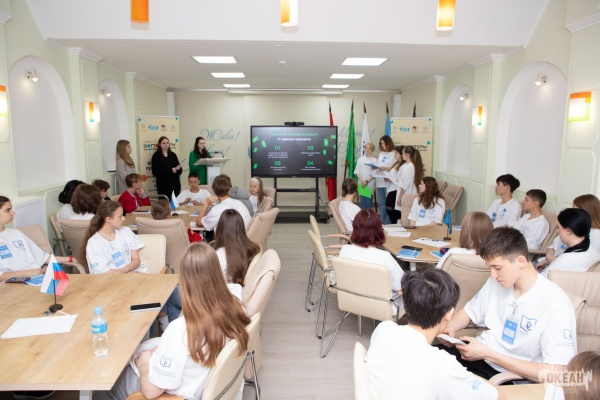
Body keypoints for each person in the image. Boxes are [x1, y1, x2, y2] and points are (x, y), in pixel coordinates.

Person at [97, 243, 250, 400]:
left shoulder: (181, 330)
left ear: (184, 281)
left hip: (176, 394)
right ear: (217, 272)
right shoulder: (237, 308)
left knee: (106, 385)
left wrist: (144, 364)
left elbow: (151, 392)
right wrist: (163, 349)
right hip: (201, 384)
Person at [440, 227, 577, 382]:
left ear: (521, 261)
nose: (493, 275)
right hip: (478, 355)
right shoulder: (496, 283)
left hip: (506, 374)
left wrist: (488, 354)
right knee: (423, 361)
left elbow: (558, 373)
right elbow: (468, 312)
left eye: (497, 268)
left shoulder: (556, 303)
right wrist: (451, 327)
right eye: (490, 267)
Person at [366, 269, 502, 400]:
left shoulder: (383, 330)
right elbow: (497, 397)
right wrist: (466, 376)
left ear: (405, 304)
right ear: (449, 314)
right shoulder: (443, 366)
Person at [0, 196, 76, 281]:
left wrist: (71, 259)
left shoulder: (17, 234)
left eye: (11, 209)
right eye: (7, 210)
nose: (13, 212)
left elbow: (44, 258)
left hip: (36, 278)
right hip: (14, 283)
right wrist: (28, 273)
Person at [338, 209, 403, 294]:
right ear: (379, 230)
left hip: (350, 298)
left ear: (355, 228)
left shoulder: (345, 250)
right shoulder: (384, 256)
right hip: (379, 300)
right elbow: (400, 284)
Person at [82, 201, 148, 275]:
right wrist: (127, 273)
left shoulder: (126, 231)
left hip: (132, 274)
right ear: (108, 219)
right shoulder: (94, 243)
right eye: (120, 216)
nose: (124, 219)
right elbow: (103, 273)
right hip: (111, 280)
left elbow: (136, 260)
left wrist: (125, 270)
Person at [539, 208, 600, 277]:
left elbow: (540, 280)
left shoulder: (566, 260)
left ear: (568, 231)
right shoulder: (592, 251)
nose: (557, 231)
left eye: (558, 227)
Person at [542, 194, 600, 265]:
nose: (571, 211)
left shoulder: (596, 235)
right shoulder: (570, 227)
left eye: (574, 209)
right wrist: (548, 256)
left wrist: (554, 260)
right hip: (548, 262)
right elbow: (553, 246)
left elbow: (583, 262)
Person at [212, 209, 261, 285]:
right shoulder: (253, 249)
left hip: (222, 290)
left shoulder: (219, 255)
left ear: (220, 229)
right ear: (241, 228)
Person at [374, 136, 396, 224]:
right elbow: (378, 164)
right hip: (379, 181)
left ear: (388, 143)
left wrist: (386, 168)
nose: (382, 145)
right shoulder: (381, 153)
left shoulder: (394, 153)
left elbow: (396, 167)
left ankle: (388, 223)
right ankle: (382, 223)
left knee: (388, 205)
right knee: (381, 204)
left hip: (388, 182)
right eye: (381, 143)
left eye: (384, 143)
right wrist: (374, 167)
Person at [396, 145, 424, 213]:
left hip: (406, 195)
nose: (402, 155)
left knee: (405, 215)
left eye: (403, 153)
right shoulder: (411, 166)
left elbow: (404, 185)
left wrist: (399, 198)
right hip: (409, 194)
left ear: (407, 155)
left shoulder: (409, 167)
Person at [384, 145, 404, 224]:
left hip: (396, 189)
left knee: (393, 209)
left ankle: (396, 224)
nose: (394, 155)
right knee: (389, 208)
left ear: (402, 154)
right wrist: (388, 178)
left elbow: (401, 179)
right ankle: (394, 223)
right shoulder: (396, 163)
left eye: (396, 153)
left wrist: (392, 179)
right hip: (391, 188)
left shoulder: (404, 165)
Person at [354, 142, 377, 209]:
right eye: (366, 148)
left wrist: (366, 181)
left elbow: (374, 173)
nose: (367, 150)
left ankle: (368, 216)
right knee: (362, 204)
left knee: (368, 204)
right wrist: (362, 181)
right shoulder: (360, 159)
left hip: (369, 184)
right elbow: (357, 172)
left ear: (372, 150)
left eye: (369, 148)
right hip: (361, 184)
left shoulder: (374, 160)